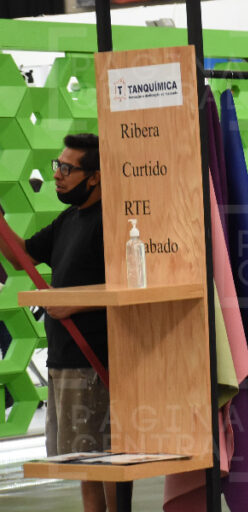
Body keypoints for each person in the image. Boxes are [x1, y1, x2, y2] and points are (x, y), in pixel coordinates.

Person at [0, 134, 119, 512]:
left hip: (96, 361)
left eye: (67, 169)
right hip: (64, 359)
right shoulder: (69, 219)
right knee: (83, 465)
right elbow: (21, 257)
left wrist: (75, 302)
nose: (57, 175)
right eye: (57, 166)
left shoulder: (112, 221)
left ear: (95, 177)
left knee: (109, 461)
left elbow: (128, 284)